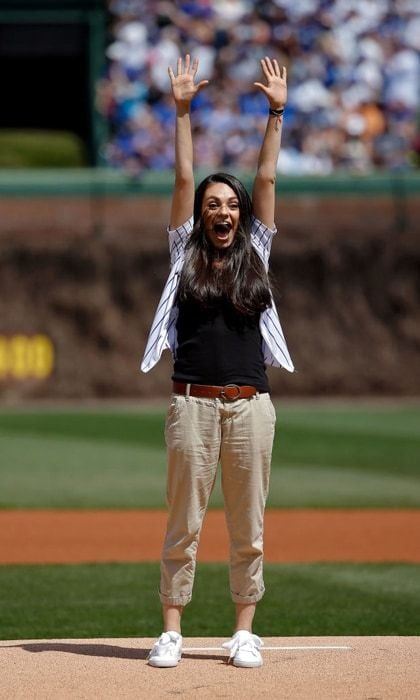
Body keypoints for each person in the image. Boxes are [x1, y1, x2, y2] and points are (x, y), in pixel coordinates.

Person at [141, 54, 294, 668]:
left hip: (250, 406)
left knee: (248, 529)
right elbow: (182, 178)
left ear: (242, 213)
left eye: (231, 204)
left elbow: (269, 180)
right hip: (192, 405)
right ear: (201, 215)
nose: (223, 211)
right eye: (213, 205)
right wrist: (182, 111)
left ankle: (243, 631)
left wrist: (276, 113)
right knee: (183, 524)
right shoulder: (184, 251)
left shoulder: (256, 246)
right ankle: (172, 630)